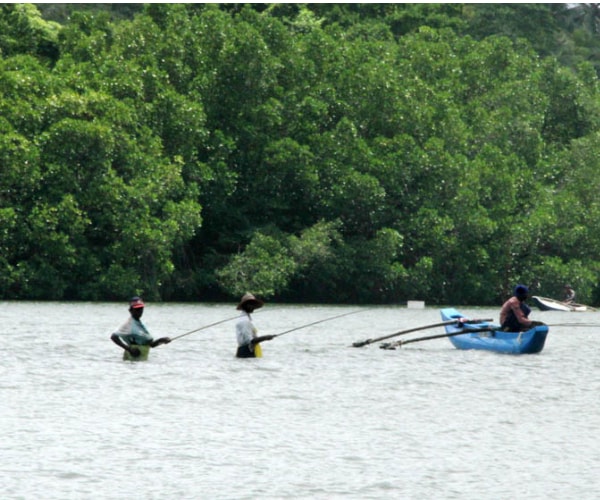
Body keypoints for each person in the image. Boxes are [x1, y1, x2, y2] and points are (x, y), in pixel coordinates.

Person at [235, 293, 274, 358]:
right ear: (246, 305)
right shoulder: (245, 321)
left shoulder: (247, 319)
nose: (253, 307)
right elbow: (250, 341)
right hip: (246, 352)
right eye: (251, 305)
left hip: (247, 351)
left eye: (254, 305)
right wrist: (265, 337)